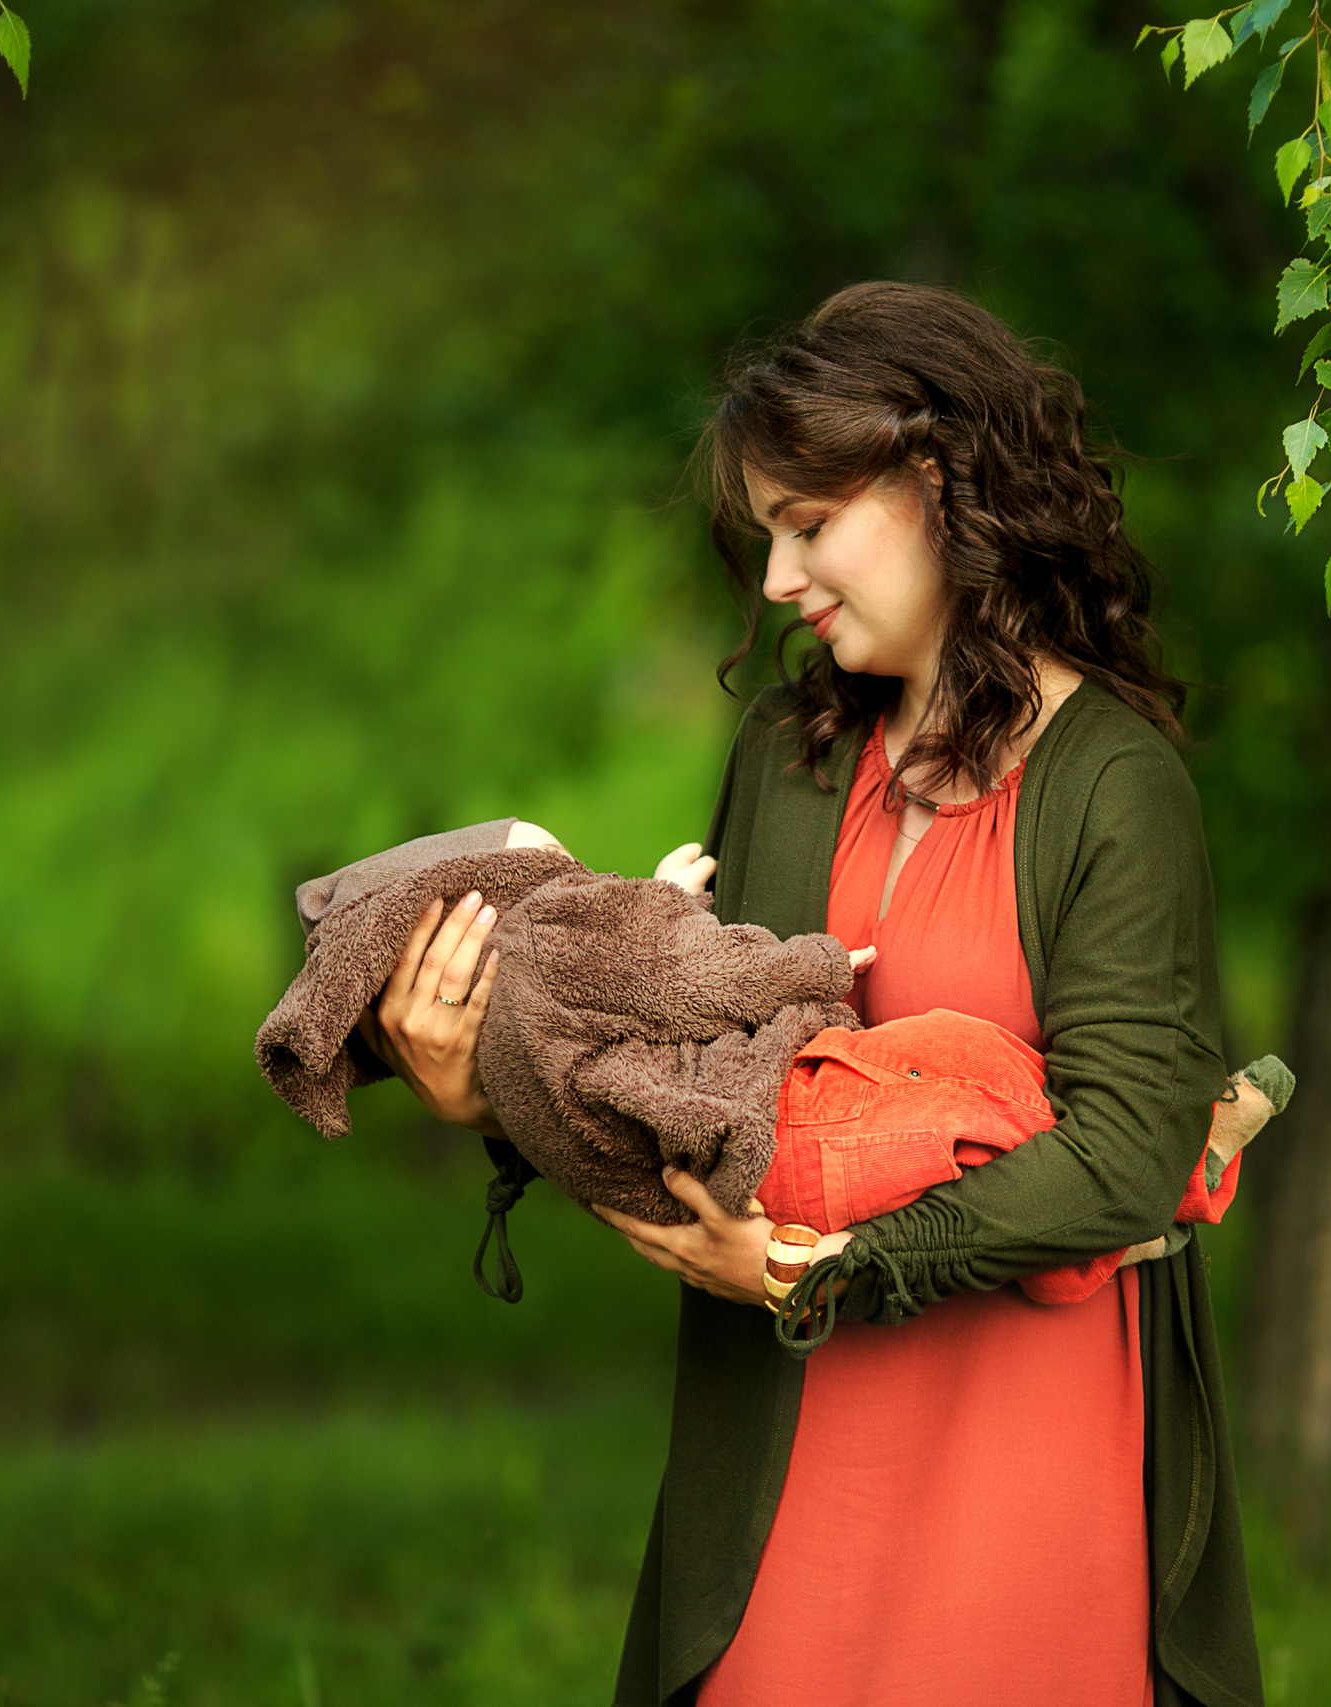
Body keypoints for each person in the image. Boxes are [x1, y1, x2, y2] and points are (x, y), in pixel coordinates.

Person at [372, 282, 1262, 1706]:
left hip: (1022, 1455)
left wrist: (824, 1267)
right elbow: (700, 1076)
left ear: (937, 486)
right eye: (770, 535)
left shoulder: (1117, 785)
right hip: (786, 1463)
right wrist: (489, 1089)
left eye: (808, 525)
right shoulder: (787, 756)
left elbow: (1127, 1154)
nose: (780, 581)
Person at [260, 815, 1288, 1312]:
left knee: (966, 1099)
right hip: (791, 1131)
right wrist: (817, 961)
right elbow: (689, 977)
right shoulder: (555, 938)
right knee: (971, 1078)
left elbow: (618, 1043)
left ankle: (1145, 1203)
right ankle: (1138, 1202)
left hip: (739, 1172)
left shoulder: (518, 1040)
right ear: (494, 879)